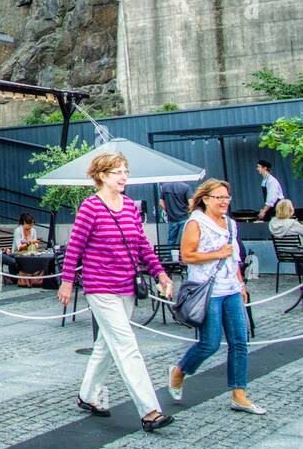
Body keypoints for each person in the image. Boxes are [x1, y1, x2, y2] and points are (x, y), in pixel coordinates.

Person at [57, 152, 174, 431]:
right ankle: (149, 410)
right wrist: (67, 280)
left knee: (107, 344)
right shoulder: (90, 207)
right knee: (126, 345)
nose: (124, 177)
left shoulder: (131, 207)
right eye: (117, 172)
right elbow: (75, 247)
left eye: (125, 171)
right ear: (102, 176)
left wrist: (159, 272)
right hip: (100, 286)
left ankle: (87, 396)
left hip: (127, 285)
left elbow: (142, 245)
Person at [167, 179, 263, 415]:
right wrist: (217, 253)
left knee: (240, 341)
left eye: (226, 197)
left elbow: (234, 258)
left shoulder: (230, 224)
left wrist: (241, 283)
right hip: (207, 290)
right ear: (206, 199)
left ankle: (239, 394)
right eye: (219, 197)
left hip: (230, 288)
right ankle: (180, 370)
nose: (224, 201)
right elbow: (187, 256)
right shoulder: (195, 222)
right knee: (209, 343)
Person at [158, 180, 192, 247]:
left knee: (171, 240)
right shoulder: (186, 187)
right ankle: (183, 256)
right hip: (184, 218)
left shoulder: (165, 187)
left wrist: (168, 210)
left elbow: (161, 202)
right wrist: (188, 212)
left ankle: (168, 256)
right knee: (184, 239)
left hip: (172, 219)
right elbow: (191, 203)